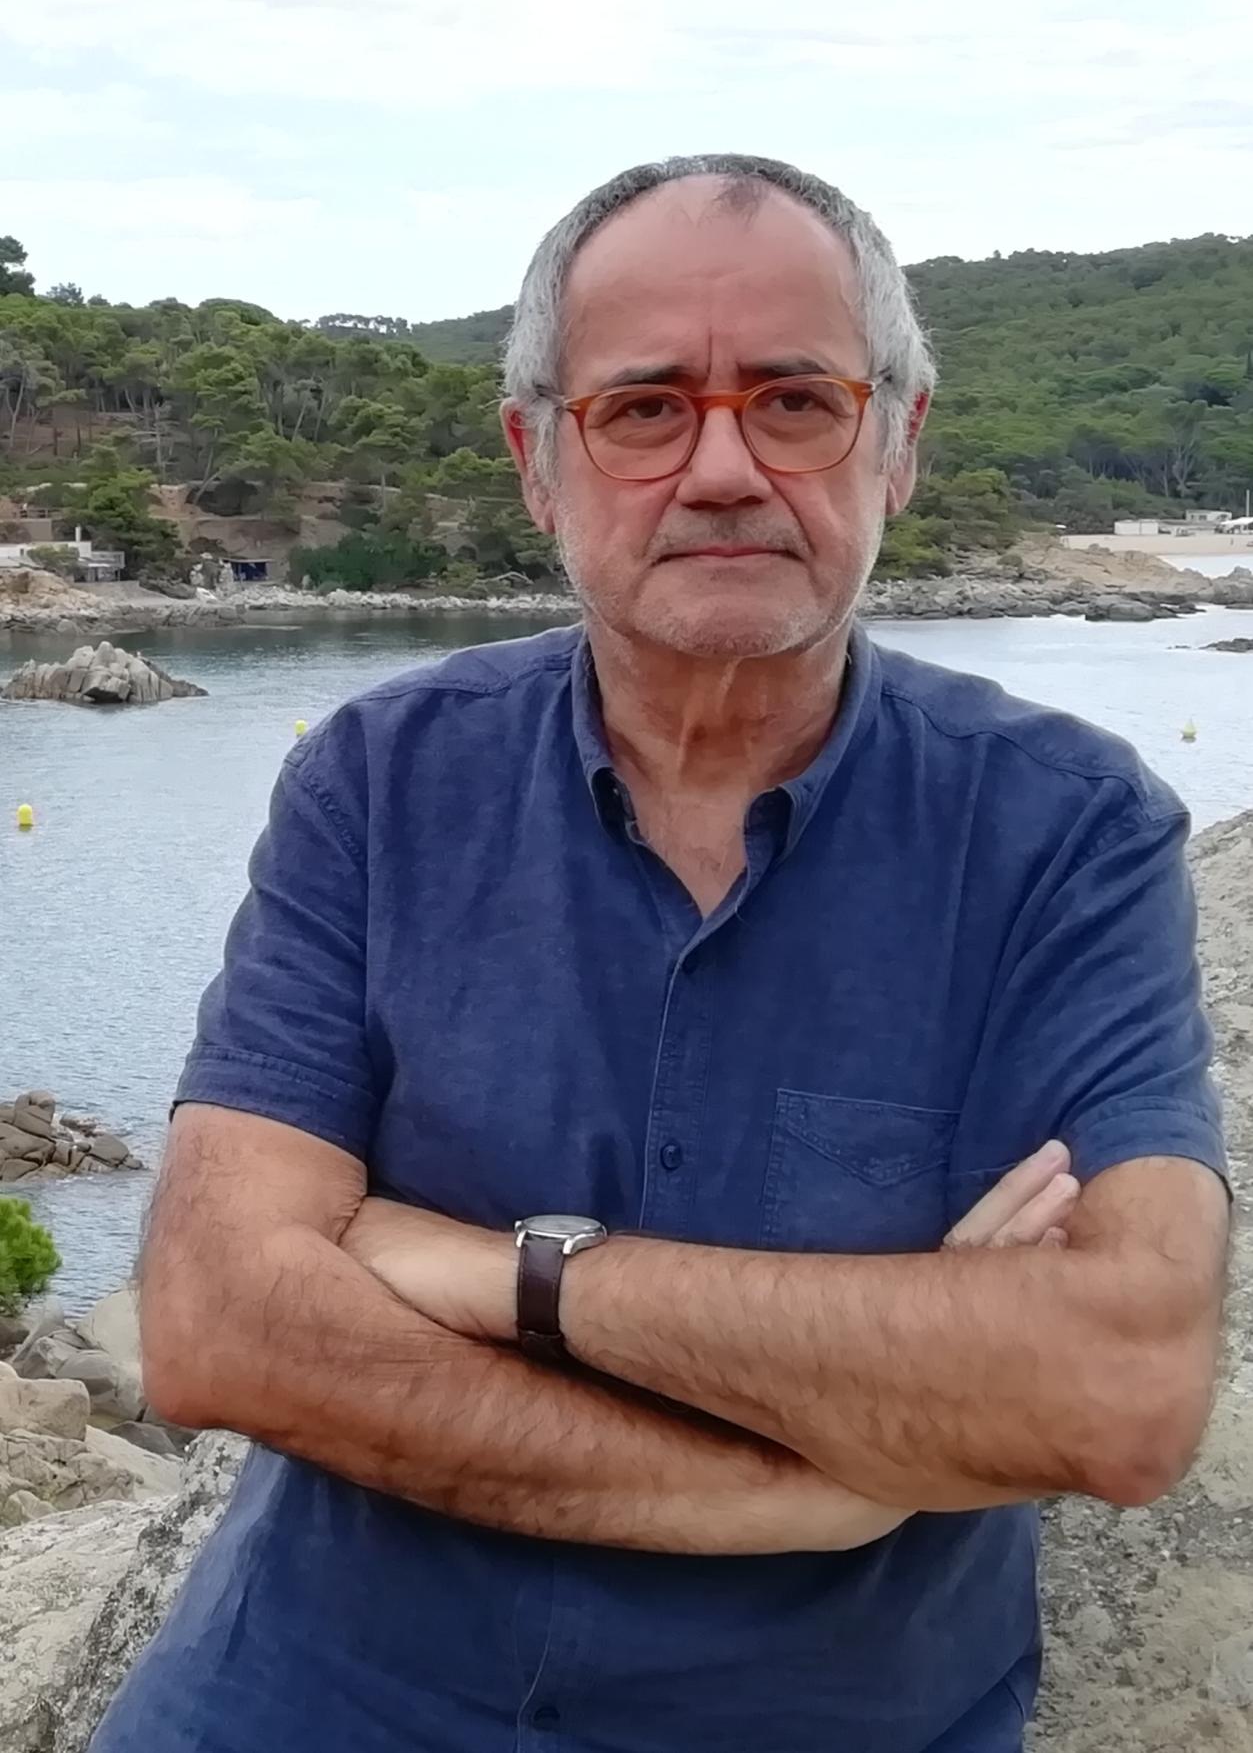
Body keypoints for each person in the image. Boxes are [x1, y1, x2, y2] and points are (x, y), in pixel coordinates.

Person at [91, 155, 1228, 1753]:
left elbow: (1114, 1388)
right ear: (537, 463)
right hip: (317, 1699)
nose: (721, 470)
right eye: (642, 409)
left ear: (897, 442)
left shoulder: (1064, 835)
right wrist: (798, 1487)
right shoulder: (382, 779)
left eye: (795, 400)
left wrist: (508, 1272)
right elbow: (220, 1322)